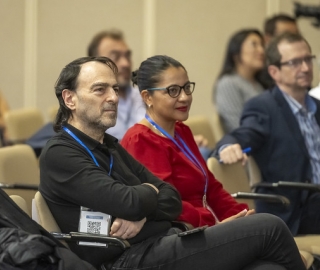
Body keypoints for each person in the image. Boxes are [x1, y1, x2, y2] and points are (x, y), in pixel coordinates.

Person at [39, 56, 306, 270]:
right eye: (100, 89)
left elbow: (172, 198)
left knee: (268, 266)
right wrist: (151, 193)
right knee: (269, 227)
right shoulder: (61, 153)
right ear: (69, 99)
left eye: (114, 88)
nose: (113, 97)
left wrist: (144, 205)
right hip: (126, 259)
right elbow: (129, 201)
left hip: (161, 242)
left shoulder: (109, 146)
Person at [121, 55, 251, 228]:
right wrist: (214, 225)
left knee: (267, 229)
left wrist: (240, 215)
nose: (184, 97)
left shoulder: (182, 131)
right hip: (180, 235)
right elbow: (167, 204)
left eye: (186, 88)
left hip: (204, 229)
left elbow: (211, 187)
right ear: (147, 97)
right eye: (173, 90)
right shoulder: (141, 139)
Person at [214, 32, 320, 236]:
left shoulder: (317, 107)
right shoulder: (264, 107)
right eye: (295, 62)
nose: (306, 68)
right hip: (296, 208)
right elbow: (242, 135)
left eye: (308, 59)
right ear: (274, 71)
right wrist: (228, 146)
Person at [87, 29, 145, 140]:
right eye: (115, 57)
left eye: (127, 56)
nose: (125, 64)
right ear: (94, 63)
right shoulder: (87, 107)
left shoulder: (146, 97)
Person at [213, 29, 265, 133]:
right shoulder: (228, 83)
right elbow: (238, 126)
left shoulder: (258, 84)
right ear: (236, 52)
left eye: (262, 45)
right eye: (254, 45)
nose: (261, 51)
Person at [260, 14, 300, 89]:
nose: (293, 41)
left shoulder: (303, 68)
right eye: (286, 36)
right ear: (268, 39)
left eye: (296, 36)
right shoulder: (257, 72)